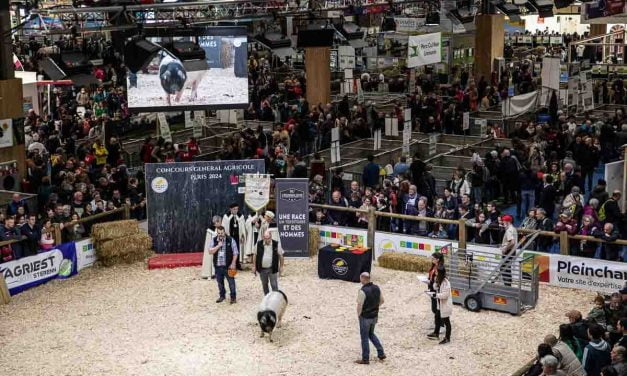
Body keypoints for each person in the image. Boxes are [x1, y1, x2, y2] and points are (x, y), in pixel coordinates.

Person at [355, 272, 386, 365]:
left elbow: (359, 305)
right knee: (371, 334)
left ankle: (365, 358)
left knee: (364, 337)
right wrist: (375, 307)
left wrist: (359, 315)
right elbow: (382, 301)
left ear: (363, 278)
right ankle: (381, 353)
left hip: (365, 317)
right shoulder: (377, 288)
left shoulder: (362, 291)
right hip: (374, 315)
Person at [208, 226, 238, 304]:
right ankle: (222, 296)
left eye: (222, 233)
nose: (220, 234)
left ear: (224, 232)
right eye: (219, 233)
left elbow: (235, 252)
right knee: (220, 282)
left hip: (228, 266)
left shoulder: (231, 240)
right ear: (217, 233)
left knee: (231, 282)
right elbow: (210, 251)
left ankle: (233, 297)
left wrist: (233, 263)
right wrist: (218, 246)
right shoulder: (214, 240)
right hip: (218, 266)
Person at [252, 230, 284, 295]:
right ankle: (267, 298)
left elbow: (281, 256)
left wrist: (281, 266)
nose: (267, 240)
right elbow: (255, 255)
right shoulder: (258, 244)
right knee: (264, 284)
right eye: (265, 238)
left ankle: (275, 299)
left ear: (271, 237)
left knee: (274, 285)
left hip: (272, 268)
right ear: (263, 237)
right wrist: (254, 266)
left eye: (268, 238)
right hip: (262, 269)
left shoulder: (276, 244)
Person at [427, 265, 453, 344]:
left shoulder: (446, 283)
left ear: (440, 272)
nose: (435, 272)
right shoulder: (439, 279)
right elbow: (435, 288)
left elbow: (445, 295)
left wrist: (436, 295)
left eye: (437, 271)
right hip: (440, 304)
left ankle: (447, 338)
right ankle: (436, 333)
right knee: (437, 317)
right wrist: (435, 282)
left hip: (444, 304)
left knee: (446, 322)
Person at [222, 203, 246, 267]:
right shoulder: (226, 217)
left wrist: (242, 235)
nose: (236, 210)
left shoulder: (241, 216)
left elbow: (243, 227)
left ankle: (237, 264)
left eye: (237, 209)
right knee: (230, 250)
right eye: (234, 209)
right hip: (229, 236)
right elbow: (224, 227)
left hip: (238, 236)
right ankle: (230, 264)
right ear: (230, 209)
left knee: (237, 250)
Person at [499, 215, 518, 286]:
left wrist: (505, 249)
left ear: (507, 222)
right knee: (507, 267)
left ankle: (507, 285)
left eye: (503, 222)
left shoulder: (509, 230)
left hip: (508, 251)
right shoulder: (513, 228)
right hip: (513, 251)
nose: (503, 223)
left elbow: (512, 242)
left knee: (503, 268)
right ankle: (509, 283)